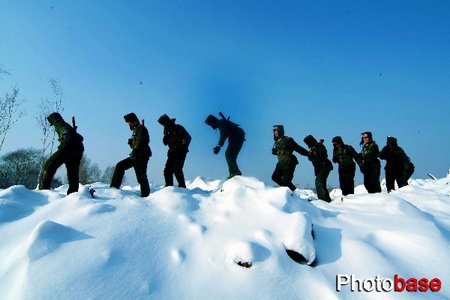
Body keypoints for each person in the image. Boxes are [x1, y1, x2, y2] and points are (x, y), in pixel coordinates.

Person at [38, 112, 84, 195]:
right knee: (73, 172)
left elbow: (63, 128)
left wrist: (65, 134)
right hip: (79, 149)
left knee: (48, 166)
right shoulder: (67, 125)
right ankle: (73, 194)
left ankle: (43, 191)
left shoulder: (58, 122)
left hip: (68, 146)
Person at [110, 113, 151, 197]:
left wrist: (136, 150)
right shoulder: (136, 130)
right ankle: (114, 188)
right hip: (136, 155)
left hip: (142, 156)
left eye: (129, 122)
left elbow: (143, 142)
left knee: (141, 176)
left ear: (132, 121)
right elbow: (137, 144)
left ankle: (146, 196)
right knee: (120, 165)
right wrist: (131, 143)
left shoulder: (142, 129)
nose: (128, 124)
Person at [205, 113, 245, 179]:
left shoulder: (221, 124)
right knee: (230, 155)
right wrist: (219, 146)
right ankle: (233, 173)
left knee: (229, 154)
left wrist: (219, 146)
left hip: (237, 137)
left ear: (213, 121)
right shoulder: (222, 123)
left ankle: (235, 173)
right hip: (237, 137)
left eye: (210, 124)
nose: (211, 126)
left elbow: (223, 135)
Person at [158, 114, 191, 188]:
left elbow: (188, 138)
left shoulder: (178, 128)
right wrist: (165, 137)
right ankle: (169, 188)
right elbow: (165, 143)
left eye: (163, 123)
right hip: (172, 152)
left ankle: (182, 187)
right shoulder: (166, 130)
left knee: (177, 169)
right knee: (167, 170)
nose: (163, 125)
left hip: (180, 152)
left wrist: (183, 147)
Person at [271, 125, 309, 191]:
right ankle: (290, 191)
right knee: (275, 177)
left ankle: (294, 194)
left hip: (289, 162)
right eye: (274, 131)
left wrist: (308, 154)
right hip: (281, 163)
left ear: (280, 131)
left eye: (276, 131)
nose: (275, 133)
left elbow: (297, 148)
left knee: (286, 181)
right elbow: (277, 152)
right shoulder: (276, 142)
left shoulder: (287, 140)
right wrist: (274, 151)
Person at [303, 135, 333, 202]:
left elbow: (323, 155)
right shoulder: (313, 148)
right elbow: (311, 157)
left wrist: (316, 149)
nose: (307, 144)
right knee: (321, 182)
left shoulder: (319, 147)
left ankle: (324, 200)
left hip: (325, 166)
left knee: (319, 181)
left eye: (308, 143)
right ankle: (324, 199)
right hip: (320, 168)